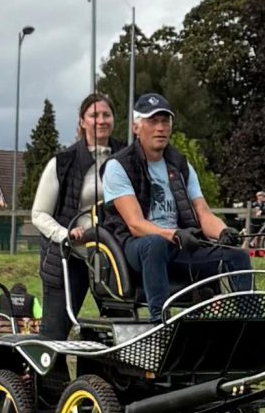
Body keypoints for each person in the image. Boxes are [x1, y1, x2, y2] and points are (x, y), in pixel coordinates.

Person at [101, 93, 251, 323]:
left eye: (165, 121)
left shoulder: (181, 165)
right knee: (155, 244)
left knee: (237, 257)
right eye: (153, 122)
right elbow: (135, 224)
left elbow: (203, 213)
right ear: (136, 127)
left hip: (179, 245)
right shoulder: (118, 166)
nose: (160, 128)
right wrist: (174, 234)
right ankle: (159, 322)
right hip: (136, 248)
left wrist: (223, 232)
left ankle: (250, 322)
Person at [32, 93, 125, 339]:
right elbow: (39, 214)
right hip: (69, 257)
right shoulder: (62, 163)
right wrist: (65, 235)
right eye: (94, 115)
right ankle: (51, 378)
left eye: (106, 115)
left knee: (123, 332)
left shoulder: (128, 157)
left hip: (112, 259)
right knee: (55, 333)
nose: (101, 120)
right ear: (83, 121)